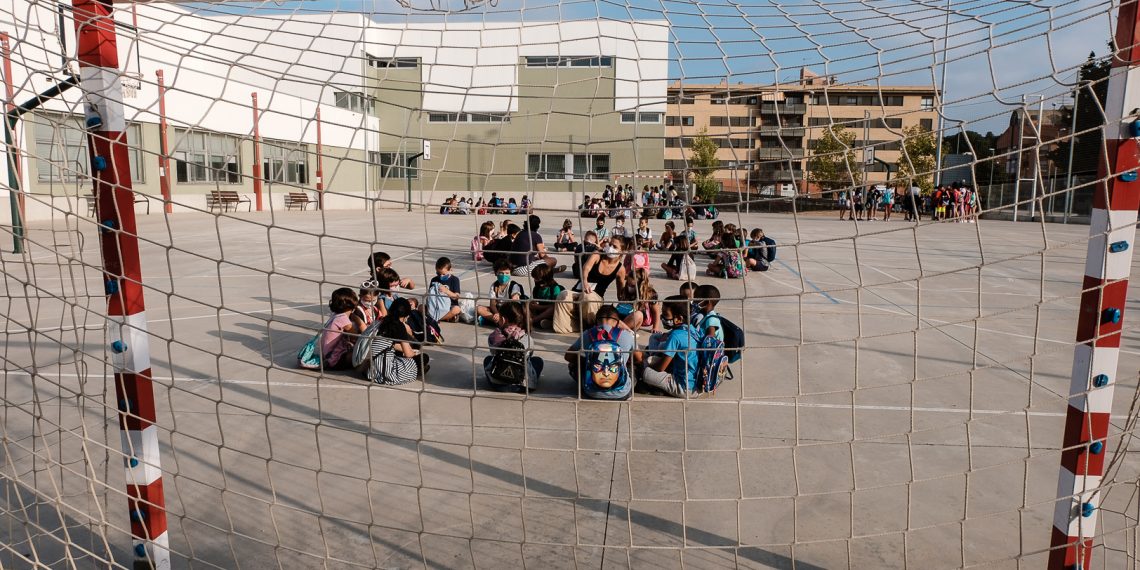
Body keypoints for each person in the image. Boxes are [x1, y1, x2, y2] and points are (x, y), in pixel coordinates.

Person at [633, 296, 701, 398]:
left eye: (665, 315)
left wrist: (645, 366)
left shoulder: (675, 336)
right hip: (696, 384)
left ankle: (655, 387)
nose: (662, 317)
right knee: (655, 342)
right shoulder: (692, 329)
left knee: (643, 371)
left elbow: (661, 368)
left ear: (679, 319)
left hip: (684, 387)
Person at [565, 305, 636, 400]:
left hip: (591, 393)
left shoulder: (588, 334)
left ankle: (589, 385)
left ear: (596, 321)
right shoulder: (627, 335)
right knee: (634, 367)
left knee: (573, 365)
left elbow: (568, 356)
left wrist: (588, 361)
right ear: (618, 323)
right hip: (622, 394)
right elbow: (639, 358)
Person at [367, 297, 428, 384]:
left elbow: (388, 344)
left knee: (400, 354)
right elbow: (408, 354)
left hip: (372, 369)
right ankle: (417, 370)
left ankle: (418, 368)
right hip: (387, 373)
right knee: (424, 357)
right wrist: (415, 353)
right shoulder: (399, 326)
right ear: (406, 313)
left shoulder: (383, 321)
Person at [483, 302, 542, 390]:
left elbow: (493, 353)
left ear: (502, 319)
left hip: (498, 384)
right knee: (537, 361)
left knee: (487, 359)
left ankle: (500, 380)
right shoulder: (527, 338)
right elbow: (528, 355)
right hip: (523, 385)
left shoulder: (494, 336)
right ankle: (527, 381)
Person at [476, 259, 525, 326]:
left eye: (507, 273)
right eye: (501, 273)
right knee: (479, 309)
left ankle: (495, 321)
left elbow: (514, 303)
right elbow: (492, 304)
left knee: (516, 316)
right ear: (496, 273)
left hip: (511, 311)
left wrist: (502, 315)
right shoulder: (494, 286)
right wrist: (497, 313)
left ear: (510, 273)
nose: (504, 275)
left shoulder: (514, 286)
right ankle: (500, 322)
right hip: (499, 310)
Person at [319, 287, 358, 370]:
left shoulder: (335, 315)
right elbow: (355, 337)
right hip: (334, 360)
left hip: (327, 356)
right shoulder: (343, 319)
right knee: (360, 354)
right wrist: (359, 322)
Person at [528, 262, 565, 330]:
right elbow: (536, 301)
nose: (535, 280)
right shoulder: (537, 289)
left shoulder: (555, 288)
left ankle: (533, 320)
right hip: (542, 311)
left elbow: (556, 306)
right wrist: (533, 304)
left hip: (554, 312)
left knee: (552, 309)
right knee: (527, 303)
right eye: (534, 278)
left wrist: (539, 307)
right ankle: (545, 322)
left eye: (537, 279)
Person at [427, 257, 462, 323]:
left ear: (450, 270)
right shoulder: (434, 279)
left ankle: (436, 318)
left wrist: (447, 291)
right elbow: (430, 296)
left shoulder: (454, 280)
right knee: (421, 307)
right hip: (436, 305)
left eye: (443, 274)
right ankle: (446, 318)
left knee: (456, 309)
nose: (441, 276)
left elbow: (456, 297)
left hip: (449, 306)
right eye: (438, 274)